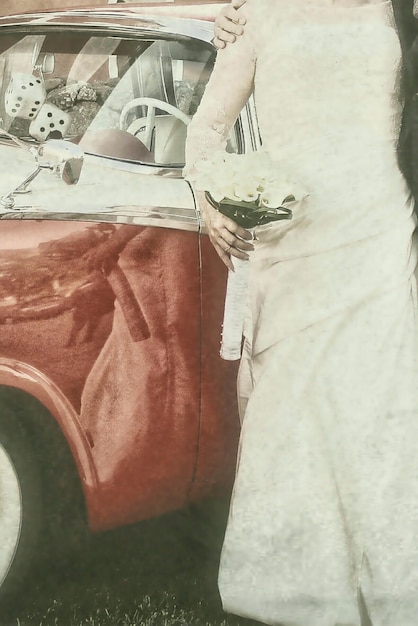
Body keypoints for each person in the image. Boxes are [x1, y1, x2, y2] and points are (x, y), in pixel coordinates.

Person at [184, 1, 418, 625]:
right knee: (292, 415)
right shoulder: (255, 11)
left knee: (380, 419)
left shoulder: (398, 5)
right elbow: (206, 130)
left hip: (383, 235)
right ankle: (297, 595)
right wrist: (211, 201)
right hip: (295, 243)